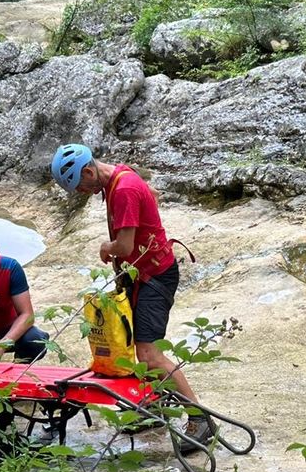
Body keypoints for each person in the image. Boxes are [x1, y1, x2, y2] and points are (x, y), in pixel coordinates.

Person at [50, 143, 211, 447]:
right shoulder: (117, 178)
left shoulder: (123, 188)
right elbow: (153, 197)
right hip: (141, 275)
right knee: (135, 350)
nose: (82, 193)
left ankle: (200, 419)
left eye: (81, 186)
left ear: (88, 170)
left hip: (155, 278)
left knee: (149, 354)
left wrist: (106, 248)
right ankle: (153, 408)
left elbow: (122, 247)